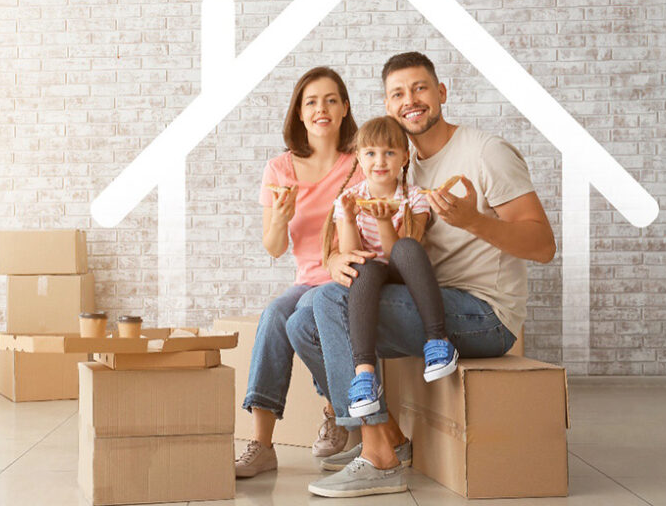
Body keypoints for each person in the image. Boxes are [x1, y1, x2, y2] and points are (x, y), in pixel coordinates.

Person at [287, 52, 556, 498]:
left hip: (483, 314)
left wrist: (474, 221)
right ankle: (388, 435)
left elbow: (543, 246)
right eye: (398, 94)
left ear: (441, 93)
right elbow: (356, 233)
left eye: (420, 88)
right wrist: (336, 259)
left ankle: (377, 459)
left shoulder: (485, 152)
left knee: (327, 302)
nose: (410, 100)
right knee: (300, 322)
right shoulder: (397, 163)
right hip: (427, 296)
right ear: (388, 108)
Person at [235, 66, 365, 478]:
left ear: (345, 108)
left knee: (306, 311)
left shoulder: (361, 164)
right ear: (299, 112)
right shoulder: (280, 170)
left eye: (330, 99)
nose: (320, 108)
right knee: (276, 314)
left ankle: (333, 410)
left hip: (346, 279)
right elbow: (274, 247)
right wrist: (280, 218)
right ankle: (261, 444)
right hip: (306, 280)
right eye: (311, 101)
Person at [324, 116, 458, 422]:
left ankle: (438, 341)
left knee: (407, 246)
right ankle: (365, 375)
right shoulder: (349, 198)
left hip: (403, 270)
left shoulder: (415, 198)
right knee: (364, 268)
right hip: (372, 276)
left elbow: (400, 250)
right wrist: (345, 216)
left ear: (404, 157)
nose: (379, 161)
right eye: (370, 153)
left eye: (389, 153)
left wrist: (385, 222)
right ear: (358, 157)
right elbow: (350, 253)